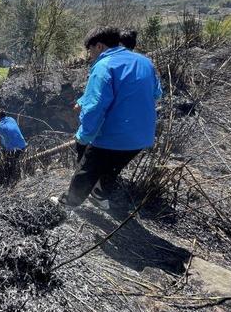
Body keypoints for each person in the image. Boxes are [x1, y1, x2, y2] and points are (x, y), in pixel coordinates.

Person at [58, 27, 162, 210]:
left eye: (90, 50)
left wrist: (83, 137)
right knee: (113, 167)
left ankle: (68, 204)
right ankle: (100, 197)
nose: (90, 56)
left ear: (98, 46)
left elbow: (96, 107)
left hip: (114, 134)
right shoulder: (146, 62)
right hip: (142, 136)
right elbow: (156, 94)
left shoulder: (104, 65)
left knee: (87, 168)